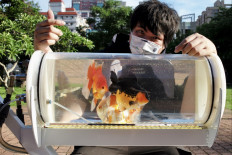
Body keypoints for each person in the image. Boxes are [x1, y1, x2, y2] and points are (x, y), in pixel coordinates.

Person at [34, 0, 217, 154]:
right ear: (130, 35)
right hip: (100, 140)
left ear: (164, 45)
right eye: (140, 32)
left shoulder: (167, 68)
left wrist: (210, 55)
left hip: (155, 142)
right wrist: (43, 50)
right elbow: (81, 97)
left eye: (154, 38)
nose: (145, 41)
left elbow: (186, 112)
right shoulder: (102, 60)